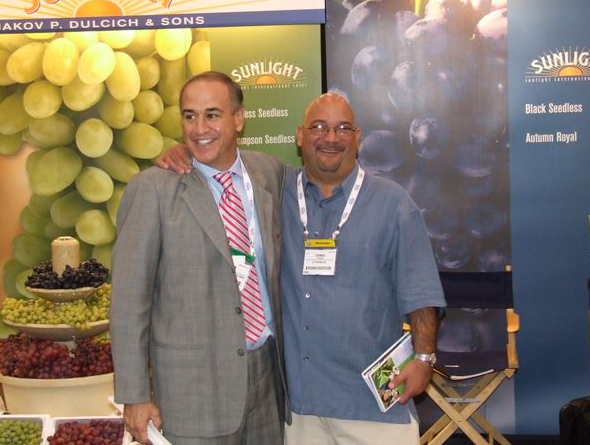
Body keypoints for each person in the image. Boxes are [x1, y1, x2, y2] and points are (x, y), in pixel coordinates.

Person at [158, 92, 445, 444]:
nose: (330, 137)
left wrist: (424, 358)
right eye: (318, 127)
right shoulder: (273, 191)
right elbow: (220, 157)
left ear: (357, 137)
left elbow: (421, 292)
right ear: (300, 135)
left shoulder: (393, 203)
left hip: (374, 404)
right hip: (300, 409)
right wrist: (186, 151)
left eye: (343, 128)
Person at [110, 71, 287, 445]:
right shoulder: (153, 190)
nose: (199, 128)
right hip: (193, 392)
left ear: (239, 119)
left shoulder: (268, 173)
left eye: (212, 115)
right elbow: (129, 301)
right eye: (190, 116)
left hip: (267, 381)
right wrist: (135, 395)